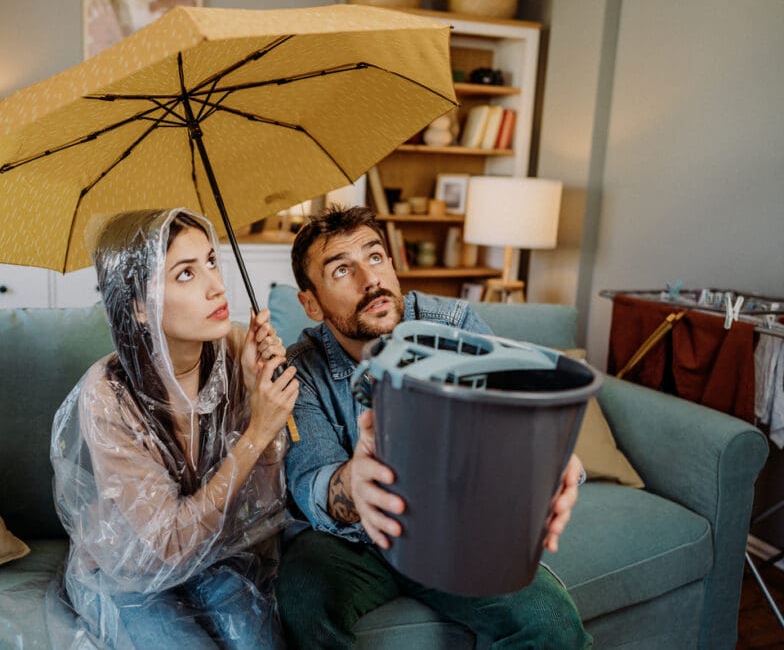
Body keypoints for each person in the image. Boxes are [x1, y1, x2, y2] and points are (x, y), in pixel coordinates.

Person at [275, 205, 591, 648]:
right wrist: (357, 485)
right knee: (298, 599)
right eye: (342, 270)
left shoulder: (452, 325)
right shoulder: (298, 371)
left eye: (376, 257)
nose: (372, 280)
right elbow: (314, 481)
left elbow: (513, 407)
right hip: (348, 545)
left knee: (547, 619)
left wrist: (544, 456)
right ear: (311, 303)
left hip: (451, 526)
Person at [51, 208, 299, 649]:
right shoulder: (109, 395)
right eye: (185, 274)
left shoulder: (238, 349)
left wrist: (256, 396)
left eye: (210, 262)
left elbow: (264, 508)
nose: (217, 286)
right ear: (140, 308)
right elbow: (167, 545)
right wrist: (257, 432)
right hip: (127, 571)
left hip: (215, 558)